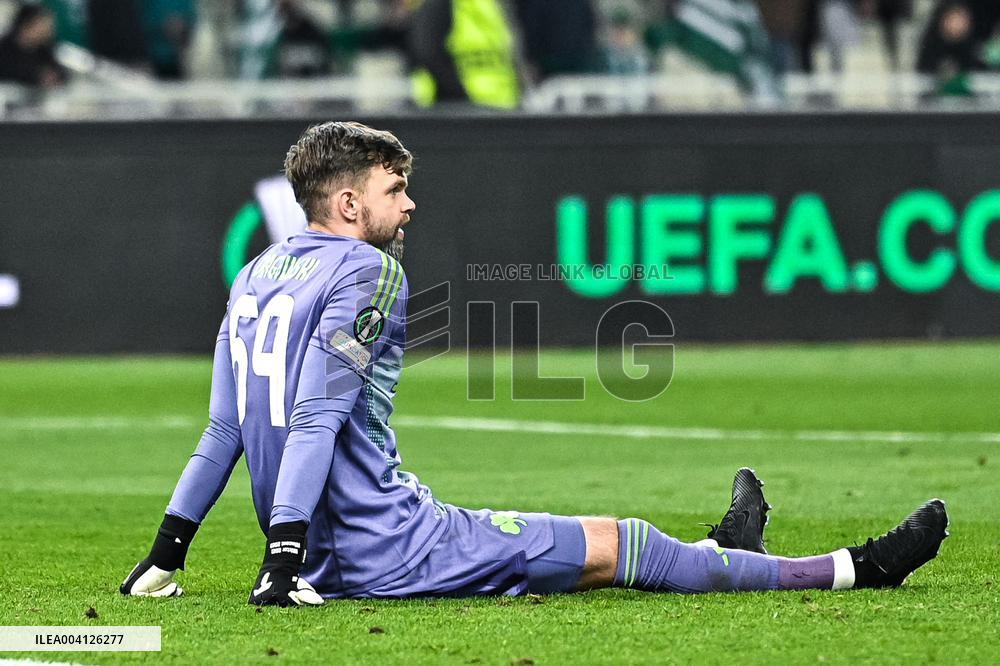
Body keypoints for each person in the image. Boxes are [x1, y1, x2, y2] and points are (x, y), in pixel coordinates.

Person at [121, 122, 949, 605]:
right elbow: (315, 416)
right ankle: (855, 569)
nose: (410, 204)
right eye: (394, 186)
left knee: (577, 555)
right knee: (623, 543)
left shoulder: (256, 272)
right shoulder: (367, 271)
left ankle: (725, 546)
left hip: (334, 549)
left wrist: (169, 551)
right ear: (348, 203)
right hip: (391, 544)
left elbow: (225, 427)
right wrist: (284, 563)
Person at [0, 3, 67, 87]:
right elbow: (10, 75)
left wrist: (54, 76)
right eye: (42, 25)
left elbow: (59, 70)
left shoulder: (43, 47)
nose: (47, 29)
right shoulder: (5, 47)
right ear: (27, 25)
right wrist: (37, 78)